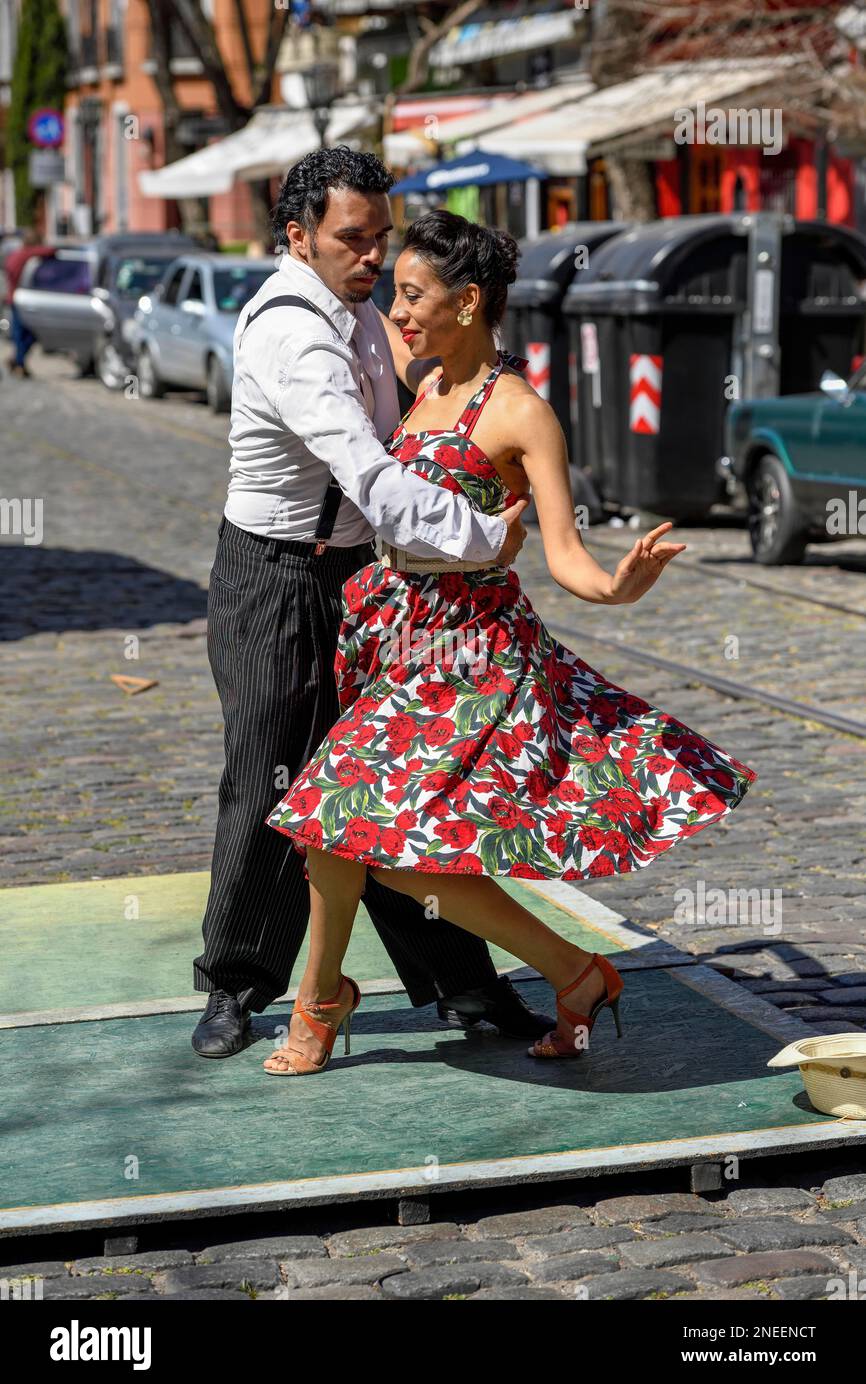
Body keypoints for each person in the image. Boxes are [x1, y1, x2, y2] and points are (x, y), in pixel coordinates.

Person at [263, 208, 758, 1077]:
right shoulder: (423, 385)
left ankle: (329, 1000)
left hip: (471, 658)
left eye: (416, 296)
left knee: (372, 842)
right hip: (399, 643)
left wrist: (618, 584)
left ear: (470, 302)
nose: (400, 310)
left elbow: (566, 555)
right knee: (330, 831)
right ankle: (571, 976)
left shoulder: (522, 412)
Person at [192, 149, 551, 1060]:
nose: (371, 256)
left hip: (358, 583)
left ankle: (466, 988)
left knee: (386, 790)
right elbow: (374, 478)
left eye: (380, 238)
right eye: (353, 239)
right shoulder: (293, 334)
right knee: (271, 775)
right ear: (298, 236)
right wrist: (484, 537)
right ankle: (238, 984)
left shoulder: (358, 315)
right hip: (272, 578)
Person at [4, 228, 54, 377]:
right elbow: (48, 251)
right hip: (21, 298)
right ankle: (19, 363)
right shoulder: (26, 254)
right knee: (25, 333)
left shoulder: (16, 255)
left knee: (24, 333)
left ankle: (17, 361)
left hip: (16, 297)